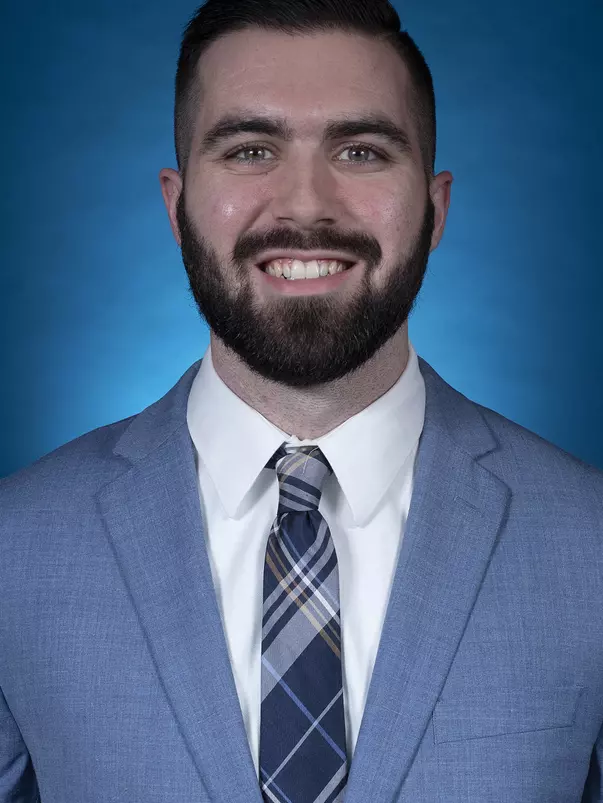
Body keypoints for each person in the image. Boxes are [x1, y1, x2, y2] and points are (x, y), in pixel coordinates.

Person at [1, 0, 602, 800]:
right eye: (251, 150)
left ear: (435, 209)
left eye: (359, 151)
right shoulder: (14, 548)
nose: (305, 205)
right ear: (177, 207)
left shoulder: (589, 544)